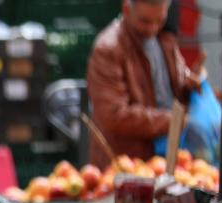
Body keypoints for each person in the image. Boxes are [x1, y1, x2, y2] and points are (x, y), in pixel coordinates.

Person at [86, 0, 201, 168]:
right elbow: (114, 115)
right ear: (126, 9)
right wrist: (173, 121)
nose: (153, 28)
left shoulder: (166, 41)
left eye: (159, 21)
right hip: (125, 166)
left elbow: (173, 88)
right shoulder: (108, 49)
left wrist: (191, 87)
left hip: (164, 162)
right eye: (145, 21)